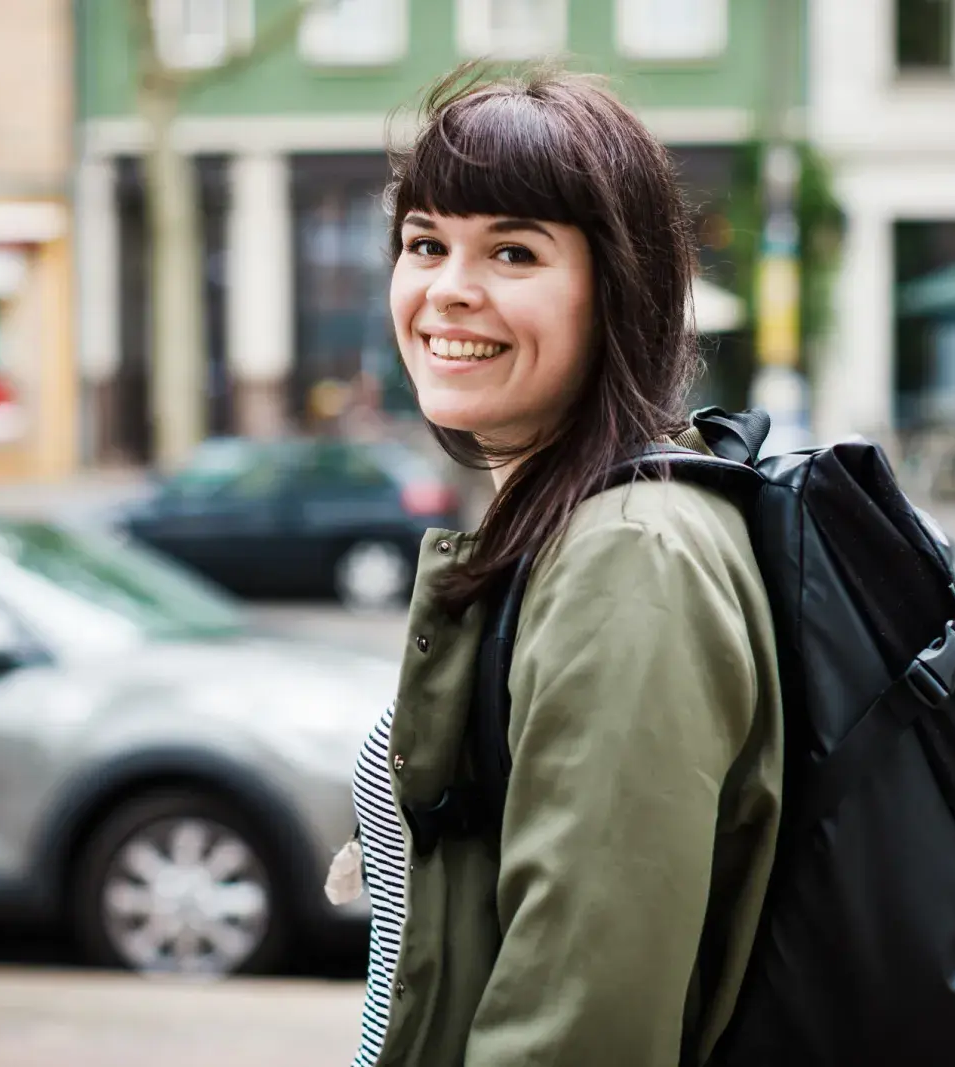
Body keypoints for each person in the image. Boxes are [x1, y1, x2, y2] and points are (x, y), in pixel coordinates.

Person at [342, 67, 784, 1067]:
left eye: (513, 249)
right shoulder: (559, 517)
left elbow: (581, 1026)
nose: (448, 286)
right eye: (425, 242)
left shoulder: (631, 556)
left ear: (616, 288)